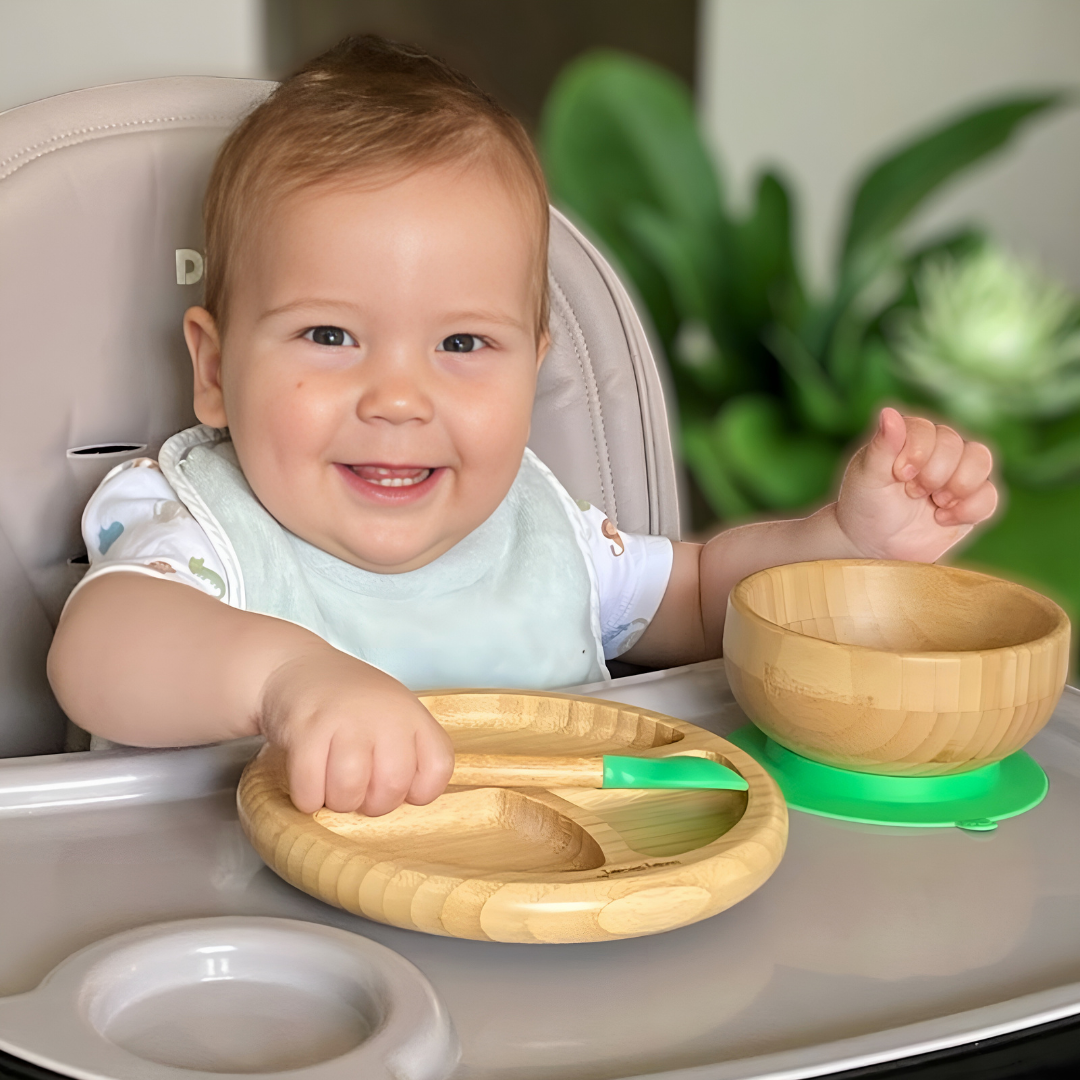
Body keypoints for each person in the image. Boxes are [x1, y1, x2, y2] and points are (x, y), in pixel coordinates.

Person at [46, 36, 997, 819]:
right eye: (330, 335)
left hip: (544, 924)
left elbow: (708, 596)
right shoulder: (203, 532)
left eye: (462, 343)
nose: (399, 398)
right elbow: (98, 652)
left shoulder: (545, 536)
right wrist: (289, 681)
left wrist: (845, 542)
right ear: (214, 371)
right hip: (261, 961)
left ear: (533, 369)